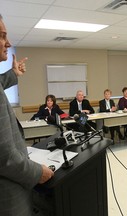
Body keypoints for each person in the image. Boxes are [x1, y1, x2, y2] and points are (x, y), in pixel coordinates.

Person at [0, 14, 54, 216]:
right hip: (8, 192)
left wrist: (13, 74)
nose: (9, 43)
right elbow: (4, 158)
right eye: (2, 36)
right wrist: (38, 172)